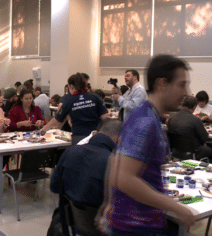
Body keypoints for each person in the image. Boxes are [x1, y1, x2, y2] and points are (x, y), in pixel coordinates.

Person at [102, 54, 195, 235]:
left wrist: (110, 203)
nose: (186, 92)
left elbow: (114, 162)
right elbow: (123, 177)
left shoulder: (148, 116)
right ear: (162, 84)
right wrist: (176, 207)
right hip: (136, 228)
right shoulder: (145, 122)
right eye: (182, 84)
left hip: (136, 223)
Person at [50, 119, 122, 236]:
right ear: (119, 139)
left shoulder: (70, 151)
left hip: (69, 225)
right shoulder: (114, 164)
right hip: (100, 229)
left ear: (97, 132)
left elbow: (54, 187)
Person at [40, 73, 109, 145]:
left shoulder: (70, 101)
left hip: (79, 136)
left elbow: (57, 119)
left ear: (71, 86)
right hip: (96, 135)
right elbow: (105, 118)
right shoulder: (95, 97)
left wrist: (44, 129)